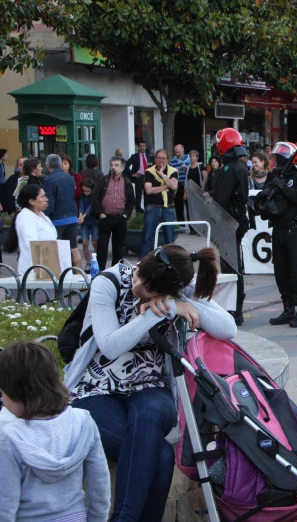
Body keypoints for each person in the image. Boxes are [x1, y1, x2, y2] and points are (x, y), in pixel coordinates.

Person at [65, 245, 236, 521]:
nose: (137, 287)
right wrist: (159, 312)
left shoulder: (178, 287)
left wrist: (180, 303)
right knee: (160, 456)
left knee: (150, 414)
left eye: (148, 290)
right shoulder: (107, 282)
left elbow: (229, 328)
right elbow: (110, 345)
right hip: (95, 390)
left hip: (151, 390)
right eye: (138, 277)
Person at [0, 340, 111, 522]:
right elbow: (99, 484)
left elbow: (5, 505)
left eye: (3, 393)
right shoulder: (83, 422)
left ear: (18, 393)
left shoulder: (9, 438)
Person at [264, 142, 297, 328]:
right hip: (279, 230)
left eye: (281, 158)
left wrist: (283, 187)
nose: (278, 161)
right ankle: (288, 307)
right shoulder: (274, 177)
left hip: (296, 230)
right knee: (281, 271)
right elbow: (265, 200)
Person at [209, 128, 250, 325]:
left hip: (229, 222)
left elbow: (220, 200)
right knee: (234, 265)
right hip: (237, 220)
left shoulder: (228, 169)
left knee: (231, 267)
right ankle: (235, 308)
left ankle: (234, 309)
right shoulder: (239, 166)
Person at [3, 184, 57, 276]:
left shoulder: (43, 216)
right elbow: (32, 244)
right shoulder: (26, 218)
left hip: (47, 268)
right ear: (32, 201)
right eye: (42, 196)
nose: (46, 199)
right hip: (33, 271)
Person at [93, 157, 135, 270]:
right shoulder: (104, 180)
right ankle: (100, 271)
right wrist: (101, 214)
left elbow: (131, 200)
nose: (113, 167)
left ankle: (116, 271)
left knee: (118, 247)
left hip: (120, 218)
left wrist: (126, 215)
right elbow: (95, 198)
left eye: (116, 165)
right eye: (112, 165)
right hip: (105, 217)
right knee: (102, 247)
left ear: (122, 167)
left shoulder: (126, 182)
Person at [42, 154, 81, 268]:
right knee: (73, 247)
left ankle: (56, 274)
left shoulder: (49, 180)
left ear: (47, 165)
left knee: (55, 249)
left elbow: (50, 201)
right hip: (72, 215)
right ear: (60, 164)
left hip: (57, 219)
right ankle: (79, 274)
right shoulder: (70, 178)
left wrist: (44, 216)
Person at [139, 149, 178, 258]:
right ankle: (142, 265)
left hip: (168, 209)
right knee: (147, 238)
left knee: (169, 240)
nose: (161, 161)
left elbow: (174, 187)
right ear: (155, 159)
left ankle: (169, 264)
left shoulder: (173, 171)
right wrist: (166, 185)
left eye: (163, 158)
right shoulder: (149, 172)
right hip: (152, 208)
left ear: (167, 160)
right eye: (159, 158)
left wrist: (163, 175)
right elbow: (148, 190)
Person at [124, 140, 153, 215]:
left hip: (148, 177)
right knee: (138, 195)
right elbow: (126, 165)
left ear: (146, 147)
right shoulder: (134, 156)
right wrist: (132, 174)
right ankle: (138, 212)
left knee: (147, 194)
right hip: (139, 177)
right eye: (140, 146)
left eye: (143, 146)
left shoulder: (150, 157)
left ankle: (147, 210)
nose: (142, 148)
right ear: (138, 147)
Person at [184, 150, 207, 233]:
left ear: (197, 157)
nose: (192, 158)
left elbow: (205, 177)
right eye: (190, 156)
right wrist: (185, 193)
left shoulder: (200, 166)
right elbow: (186, 181)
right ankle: (192, 229)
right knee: (191, 210)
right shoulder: (188, 167)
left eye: (193, 156)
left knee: (199, 210)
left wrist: (202, 188)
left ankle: (200, 229)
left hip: (198, 191)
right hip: (190, 191)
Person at [78, 178, 99, 266]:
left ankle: (96, 260)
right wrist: (80, 215)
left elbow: (91, 207)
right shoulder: (82, 196)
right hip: (85, 222)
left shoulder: (94, 196)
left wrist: (83, 215)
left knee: (95, 241)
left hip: (94, 220)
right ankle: (88, 262)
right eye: (84, 191)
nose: (86, 193)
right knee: (84, 241)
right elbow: (81, 205)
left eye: (88, 191)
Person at [169, 144, 191, 224]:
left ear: (183, 151)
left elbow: (193, 172)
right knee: (178, 206)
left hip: (187, 186)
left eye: (178, 152)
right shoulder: (172, 161)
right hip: (177, 185)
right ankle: (181, 225)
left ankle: (192, 227)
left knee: (189, 206)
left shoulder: (190, 159)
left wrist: (186, 170)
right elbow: (169, 174)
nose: (177, 154)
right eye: (175, 152)